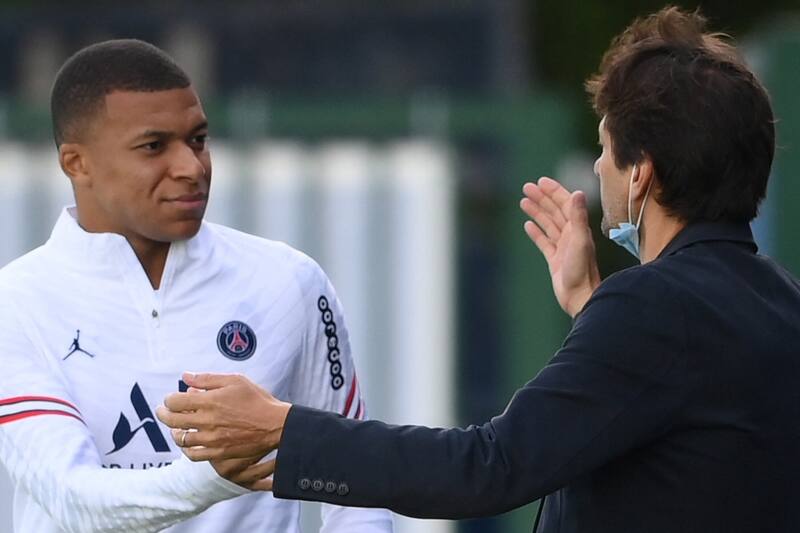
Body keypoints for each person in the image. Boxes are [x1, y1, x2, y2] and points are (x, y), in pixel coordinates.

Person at [158, 7, 800, 533]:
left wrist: (284, 430)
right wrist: (588, 303)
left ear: (641, 173)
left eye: (605, 149)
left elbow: (489, 467)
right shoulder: (778, 301)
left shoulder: (655, 309)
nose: (598, 169)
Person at [0, 39, 393, 533]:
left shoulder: (288, 281)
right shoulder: (16, 303)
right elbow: (74, 499)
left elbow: (357, 488)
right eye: (154, 146)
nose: (191, 167)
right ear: (77, 163)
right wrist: (217, 475)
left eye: (199, 139)